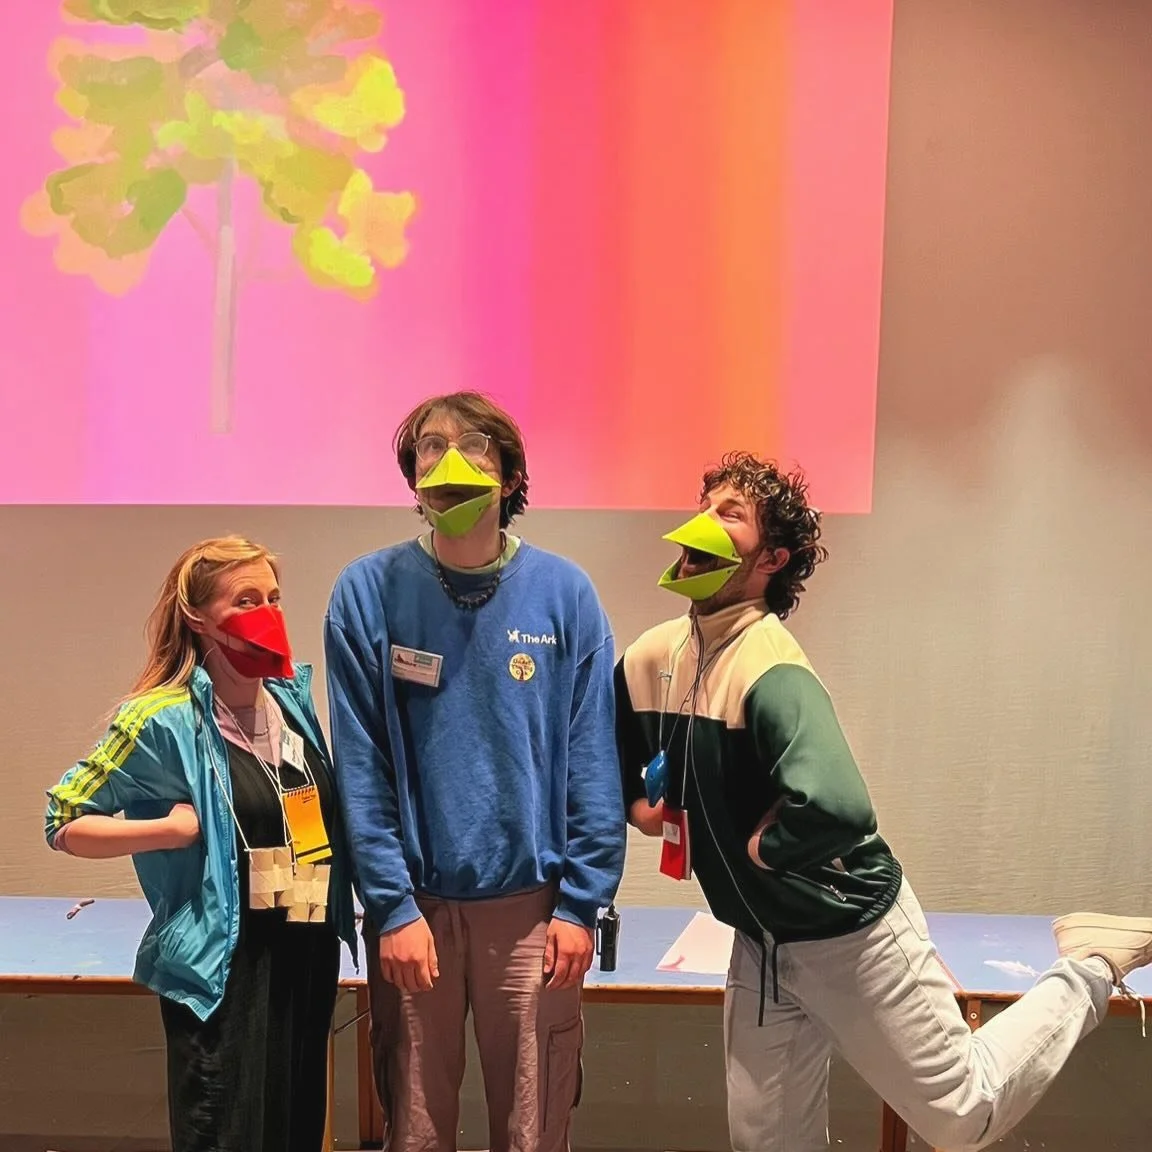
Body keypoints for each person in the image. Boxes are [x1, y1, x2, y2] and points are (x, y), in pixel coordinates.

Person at [615, 451, 1152, 1152]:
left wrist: (761, 850)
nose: (705, 522)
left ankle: (1088, 963)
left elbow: (839, 808)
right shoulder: (655, 656)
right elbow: (616, 757)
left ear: (771, 559)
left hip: (847, 932)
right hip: (762, 942)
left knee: (966, 1111)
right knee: (769, 1145)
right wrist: (640, 806)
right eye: (706, 503)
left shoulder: (769, 664)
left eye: (731, 513)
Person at [324, 390, 625, 1152]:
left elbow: (593, 758)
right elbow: (361, 767)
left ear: (512, 473)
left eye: (473, 446)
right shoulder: (367, 593)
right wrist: (389, 908)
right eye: (429, 446)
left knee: (533, 1130)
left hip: (534, 915)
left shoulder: (566, 595)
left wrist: (581, 904)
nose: (448, 461)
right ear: (412, 479)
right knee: (417, 1133)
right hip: (415, 914)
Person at [44, 536, 358, 1152]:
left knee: (294, 1127)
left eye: (273, 597)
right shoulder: (161, 720)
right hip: (226, 970)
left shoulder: (290, 701)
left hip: (304, 951)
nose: (267, 611)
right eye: (246, 599)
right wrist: (168, 829)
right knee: (225, 1131)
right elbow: (63, 819)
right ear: (197, 616)